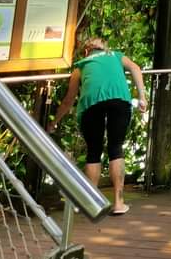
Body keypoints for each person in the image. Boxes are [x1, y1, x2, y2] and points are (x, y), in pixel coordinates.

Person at [48, 37, 147, 215]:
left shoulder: (81, 66)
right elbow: (135, 68)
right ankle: (118, 203)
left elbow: (69, 100)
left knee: (94, 151)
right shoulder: (116, 56)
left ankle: (92, 203)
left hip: (91, 105)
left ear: (87, 51)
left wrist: (53, 122)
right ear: (105, 48)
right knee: (116, 148)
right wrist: (142, 97)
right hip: (119, 100)